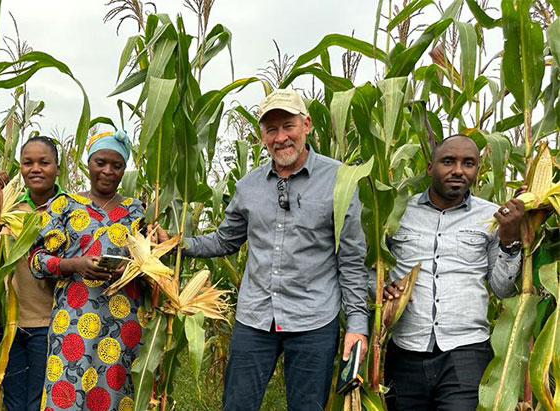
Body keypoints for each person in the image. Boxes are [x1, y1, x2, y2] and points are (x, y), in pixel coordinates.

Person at [154, 88, 370, 411]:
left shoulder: (338, 180)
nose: (281, 137)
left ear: (307, 124)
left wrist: (357, 325)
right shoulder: (248, 187)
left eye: (288, 126)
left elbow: (351, 261)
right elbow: (225, 240)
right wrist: (177, 243)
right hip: (256, 317)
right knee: (237, 405)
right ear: (262, 136)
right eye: (271, 130)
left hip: (314, 318)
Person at [381, 134, 523, 410]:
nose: (458, 170)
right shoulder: (396, 212)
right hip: (406, 349)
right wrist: (382, 287)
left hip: (466, 352)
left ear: (477, 170)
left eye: (468, 163)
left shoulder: (493, 218)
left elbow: (503, 289)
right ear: (430, 168)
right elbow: (370, 264)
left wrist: (510, 240)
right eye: (448, 161)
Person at [29, 130, 146, 411]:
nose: (107, 171)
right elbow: (37, 260)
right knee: (68, 392)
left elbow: (151, 265)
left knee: (116, 395)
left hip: (123, 323)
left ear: (124, 169)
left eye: (116, 166)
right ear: (88, 164)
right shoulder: (64, 205)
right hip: (73, 321)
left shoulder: (137, 211)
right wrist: (75, 264)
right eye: (100, 163)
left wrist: (129, 271)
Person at [0, 136, 64, 411]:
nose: (35, 168)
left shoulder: (70, 209)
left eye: (44, 162)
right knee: (12, 399)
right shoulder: (7, 208)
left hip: (49, 323)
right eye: (28, 163)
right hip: (9, 323)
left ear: (57, 168)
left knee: (39, 400)